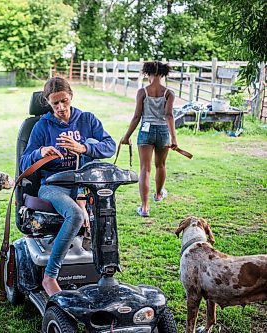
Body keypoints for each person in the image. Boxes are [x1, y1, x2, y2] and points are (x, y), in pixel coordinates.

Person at [20, 77, 116, 296]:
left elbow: (109, 146)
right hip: (53, 186)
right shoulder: (42, 126)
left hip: (83, 184)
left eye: (64, 101)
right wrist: (40, 152)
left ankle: (105, 271)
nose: (61, 108)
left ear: (71, 96)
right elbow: (24, 162)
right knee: (74, 214)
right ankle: (50, 276)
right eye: (55, 104)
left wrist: (83, 148)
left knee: (106, 205)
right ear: (48, 103)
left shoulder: (87, 120)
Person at [120, 61, 177, 217]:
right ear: (163, 74)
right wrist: (174, 138)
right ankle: (158, 195)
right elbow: (169, 116)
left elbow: (137, 116)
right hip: (164, 131)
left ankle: (144, 207)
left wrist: (126, 136)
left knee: (145, 169)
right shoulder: (169, 93)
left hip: (146, 131)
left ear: (148, 73)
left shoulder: (142, 92)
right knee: (161, 165)